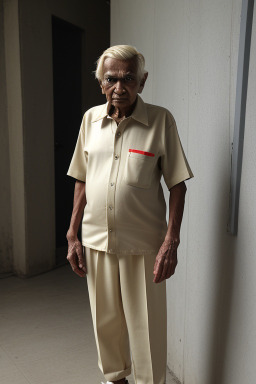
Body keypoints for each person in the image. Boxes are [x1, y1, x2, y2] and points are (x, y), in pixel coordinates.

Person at [66, 45, 193, 384]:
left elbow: (177, 184)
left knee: (145, 326)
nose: (119, 87)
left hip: (144, 245)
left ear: (143, 82)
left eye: (128, 78)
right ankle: (115, 380)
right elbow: (81, 177)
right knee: (104, 323)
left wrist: (171, 241)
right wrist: (72, 234)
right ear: (100, 82)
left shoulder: (160, 120)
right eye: (111, 79)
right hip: (96, 241)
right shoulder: (90, 121)